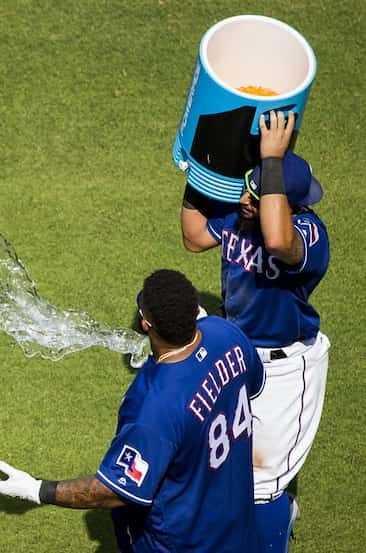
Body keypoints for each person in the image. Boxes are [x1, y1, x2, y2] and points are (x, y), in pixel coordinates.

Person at [0, 269, 264, 553]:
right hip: (236, 524)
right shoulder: (227, 334)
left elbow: (114, 490)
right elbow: (253, 386)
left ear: (144, 324)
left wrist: (37, 490)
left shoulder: (155, 406)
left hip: (182, 540)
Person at [180, 110, 330, 551]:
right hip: (236, 354)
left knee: (263, 482)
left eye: (257, 189)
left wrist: (271, 162)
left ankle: (274, 530)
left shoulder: (309, 234)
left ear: (286, 200)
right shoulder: (238, 216)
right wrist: (200, 173)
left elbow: (280, 243)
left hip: (287, 369)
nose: (245, 196)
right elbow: (192, 237)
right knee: (221, 462)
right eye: (247, 184)